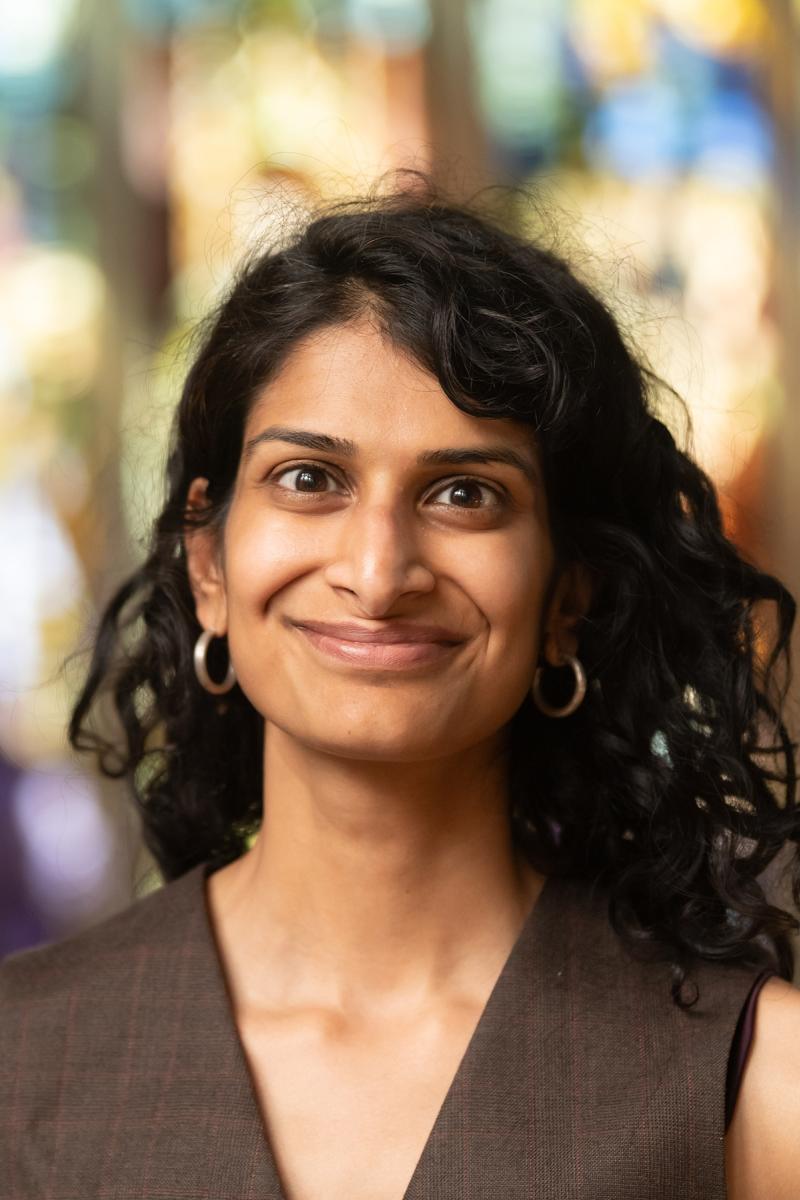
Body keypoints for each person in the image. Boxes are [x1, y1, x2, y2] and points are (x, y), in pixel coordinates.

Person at [2, 172, 799, 1199]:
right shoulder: (24, 1060)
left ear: (566, 596)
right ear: (208, 566)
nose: (376, 574)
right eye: (308, 480)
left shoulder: (754, 1086)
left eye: (463, 494)